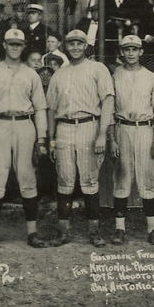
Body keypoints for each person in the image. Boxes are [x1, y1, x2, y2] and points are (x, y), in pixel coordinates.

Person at [0, 29, 49, 249]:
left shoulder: (31, 74)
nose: (14, 48)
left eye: (18, 44)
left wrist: (41, 138)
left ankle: (32, 233)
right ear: (4, 45)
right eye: (11, 44)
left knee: (28, 180)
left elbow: (40, 108)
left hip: (24, 125)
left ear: (23, 46)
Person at [46, 29, 114, 247]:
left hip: (89, 126)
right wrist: (51, 139)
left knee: (89, 181)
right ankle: (63, 232)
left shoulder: (97, 69)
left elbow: (108, 102)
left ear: (86, 46)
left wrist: (102, 134)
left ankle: (94, 232)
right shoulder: (59, 73)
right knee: (64, 181)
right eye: (71, 44)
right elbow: (51, 108)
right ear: (66, 46)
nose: (75, 47)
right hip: (64, 128)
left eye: (79, 44)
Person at [107, 35, 154, 246]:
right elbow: (109, 110)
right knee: (122, 178)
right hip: (122, 129)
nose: (130, 53)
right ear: (122, 52)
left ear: (141, 51)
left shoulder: (151, 77)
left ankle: (152, 229)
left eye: (134, 49)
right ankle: (119, 229)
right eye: (127, 49)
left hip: (145, 130)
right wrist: (111, 139)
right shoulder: (115, 75)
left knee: (147, 179)